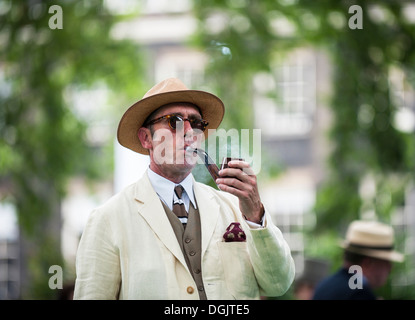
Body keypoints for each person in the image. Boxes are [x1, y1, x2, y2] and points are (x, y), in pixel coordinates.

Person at [73, 77, 295, 300]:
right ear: (146, 138)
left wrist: (255, 211)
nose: (190, 132)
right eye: (174, 121)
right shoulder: (109, 219)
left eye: (197, 123)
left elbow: (278, 283)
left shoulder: (237, 209)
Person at [312, 220, 404, 300]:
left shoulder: (323, 286)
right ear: (368, 263)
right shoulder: (360, 294)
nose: (390, 268)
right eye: (386, 263)